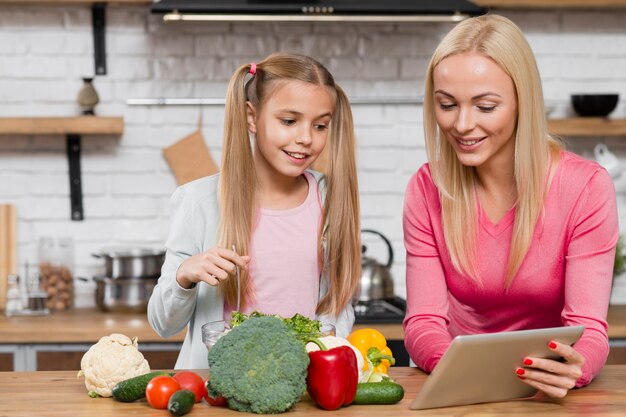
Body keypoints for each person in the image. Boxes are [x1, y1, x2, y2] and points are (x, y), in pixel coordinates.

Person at [403, 14, 618, 398]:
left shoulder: (585, 187)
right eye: (447, 104)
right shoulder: (427, 187)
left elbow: (590, 328)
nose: (462, 125)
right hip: (457, 391)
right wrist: (456, 367)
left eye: (485, 107)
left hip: (546, 393)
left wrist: (574, 365)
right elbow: (423, 322)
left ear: (523, 101)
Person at [148, 52, 361, 369]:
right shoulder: (199, 200)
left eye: (320, 125)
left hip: (300, 386)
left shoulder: (330, 197)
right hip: (218, 388)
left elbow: (337, 308)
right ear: (251, 117)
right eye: (289, 121)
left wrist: (317, 359)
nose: (305, 138)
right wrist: (185, 276)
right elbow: (163, 325)